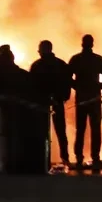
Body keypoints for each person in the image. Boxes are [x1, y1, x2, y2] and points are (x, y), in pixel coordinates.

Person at [67, 34, 102, 170]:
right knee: (95, 129)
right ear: (92, 44)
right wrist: (99, 87)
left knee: (80, 129)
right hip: (94, 99)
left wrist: (77, 87)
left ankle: (79, 158)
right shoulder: (97, 59)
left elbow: (67, 77)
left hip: (82, 99)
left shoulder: (76, 59)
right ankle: (95, 157)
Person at [30, 40, 73, 168]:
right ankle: (65, 158)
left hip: (42, 103)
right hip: (56, 101)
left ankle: (42, 159)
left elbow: (32, 85)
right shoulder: (60, 64)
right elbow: (68, 82)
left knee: (42, 132)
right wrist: (64, 97)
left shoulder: (37, 66)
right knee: (61, 131)